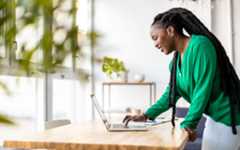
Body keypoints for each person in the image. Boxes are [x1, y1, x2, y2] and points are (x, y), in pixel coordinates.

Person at [123, 7, 240, 150]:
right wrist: (146, 115)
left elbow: (201, 91)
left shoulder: (200, 46)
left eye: (155, 37)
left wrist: (189, 124)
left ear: (170, 31)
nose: (155, 44)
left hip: (229, 118)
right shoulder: (175, 63)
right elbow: (170, 95)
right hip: (213, 117)